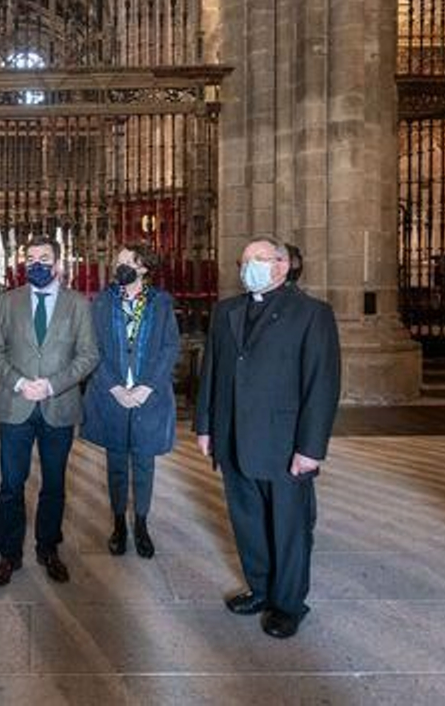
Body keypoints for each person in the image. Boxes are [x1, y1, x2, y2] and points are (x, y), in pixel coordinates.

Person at [196, 236, 341, 639]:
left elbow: (321, 385)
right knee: (247, 521)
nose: (247, 269)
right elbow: (212, 372)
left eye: (257, 260)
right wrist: (206, 426)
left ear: (281, 265)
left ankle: (289, 604)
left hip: (283, 442)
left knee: (289, 526)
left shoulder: (312, 314)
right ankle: (260, 589)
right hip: (233, 437)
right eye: (243, 262)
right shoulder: (227, 311)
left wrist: (310, 449)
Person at [0, 234, 99, 587]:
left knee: (54, 485)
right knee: (11, 485)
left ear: (59, 264)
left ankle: (48, 548)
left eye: (44, 258)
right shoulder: (10, 300)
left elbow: (88, 355)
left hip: (58, 405)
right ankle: (9, 555)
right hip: (16, 405)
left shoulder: (78, 304)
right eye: (31, 258)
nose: (36, 264)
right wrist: (19, 383)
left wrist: (50, 385)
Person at [82, 244, 181, 559]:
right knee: (115, 465)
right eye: (118, 261)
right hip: (111, 396)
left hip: (147, 398)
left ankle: (141, 523)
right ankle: (118, 524)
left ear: (143, 268)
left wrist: (146, 388)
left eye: (128, 262)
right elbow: (92, 347)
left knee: (144, 463)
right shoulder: (102, 301)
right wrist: (114, 388)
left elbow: (169, 347)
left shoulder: (161, 302)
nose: (120, 266)